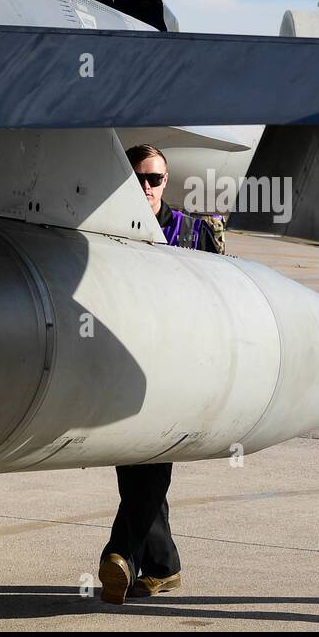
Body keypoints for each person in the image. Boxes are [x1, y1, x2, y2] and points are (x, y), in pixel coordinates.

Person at [99, 145, 220, 604]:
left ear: (166, 181)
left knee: (148, 466)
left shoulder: (192, 232)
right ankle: (164, 566)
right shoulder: (108, 232)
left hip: (179, 377)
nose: (147, 187)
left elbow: (221, 302)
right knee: (135, 465)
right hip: (127, 370)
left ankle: (120, 556)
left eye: (155, 179)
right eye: (138, 179)